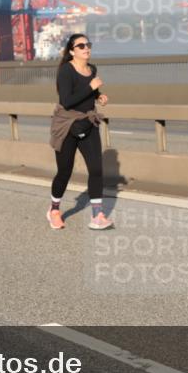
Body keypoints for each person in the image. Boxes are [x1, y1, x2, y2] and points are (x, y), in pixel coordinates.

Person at [47, 34, 112, 230]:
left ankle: (97, 215)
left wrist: (98, 96)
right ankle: (54, 210)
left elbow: (89, 93)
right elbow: (67, 101)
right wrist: (91, 87)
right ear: (72, 50)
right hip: (67, 124)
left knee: (96, 169)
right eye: (81, 45)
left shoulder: (92, 69)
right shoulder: (66, 71)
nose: (86, 48)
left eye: (88, 45)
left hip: (88, 122)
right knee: (64, 171)